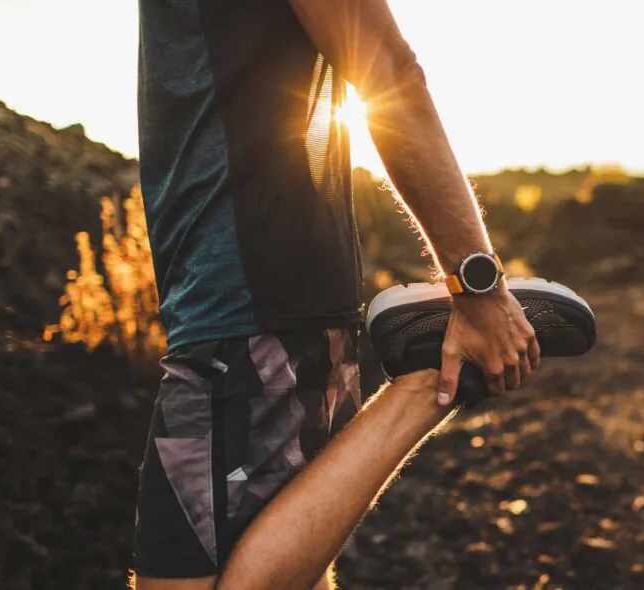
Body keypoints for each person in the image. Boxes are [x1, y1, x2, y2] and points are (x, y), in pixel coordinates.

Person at [132, 1, 543, 588]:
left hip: (249, 293)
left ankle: (427, 383)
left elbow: (388, 69)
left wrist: (476, 283)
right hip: (235, 291)